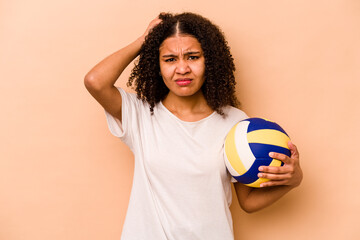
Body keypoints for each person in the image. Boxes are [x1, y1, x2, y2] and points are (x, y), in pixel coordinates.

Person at [84, 12, 303, 240]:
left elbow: (247, 202)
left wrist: (293, 181)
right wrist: (144, 41)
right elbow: (95, 81)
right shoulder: (140, 113)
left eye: (192, 57)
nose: (182, 69)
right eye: (170, 59)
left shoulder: (235, 124)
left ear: (209, 60)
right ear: (157, 65)